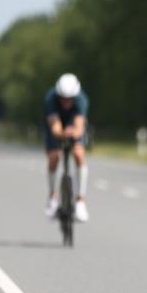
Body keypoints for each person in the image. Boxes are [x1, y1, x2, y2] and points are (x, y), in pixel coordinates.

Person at [44, 73, 90, 222]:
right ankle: (53, 198)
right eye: (63, 98)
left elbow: (80, 126)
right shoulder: (51, 99)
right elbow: (55, 126)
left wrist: (74, 134)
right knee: (54, 156)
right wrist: (61, 134)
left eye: (69, 99)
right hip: (57, 124)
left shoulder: (81, 100)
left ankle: (80, 201)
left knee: (79, 154)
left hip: (72, 123)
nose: (66, 102)